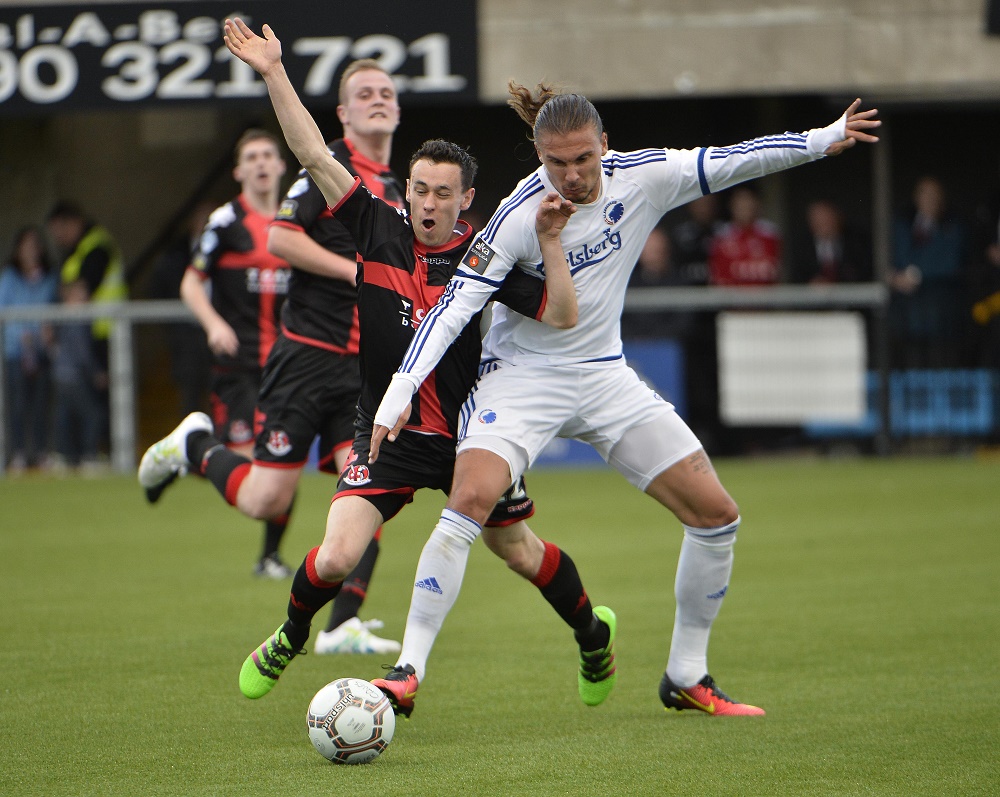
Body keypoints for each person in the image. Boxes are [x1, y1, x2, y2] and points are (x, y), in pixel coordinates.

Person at [371, 83, 880, 716]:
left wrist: (823, 138)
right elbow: (452, 311)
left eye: (583, 158)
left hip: (604, 374)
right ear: (538, 156)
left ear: (604, 146)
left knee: (717, 514)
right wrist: (397, 395)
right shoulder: (514, 216)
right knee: (470, 499)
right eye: (556, 162)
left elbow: (734, 158)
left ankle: (687, 676)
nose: (572, 175)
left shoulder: (645, 177)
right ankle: (407, 670)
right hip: (521, 376)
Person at [195, 19, 607, 716]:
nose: (427, 202)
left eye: (443, 193)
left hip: (466, 439)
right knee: (331, 557)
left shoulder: (488, 254)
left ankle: (593, 636)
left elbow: (563, 314)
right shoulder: (375, 225)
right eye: (418, 188)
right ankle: (291, 636)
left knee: (518, 549)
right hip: (383, 431)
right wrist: (273, 73)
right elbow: (309, 150)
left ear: (465, 200)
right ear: (406, 190)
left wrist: (553, 244)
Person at [141, 56, 408, 652]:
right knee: (267, 498)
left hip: (361, 367)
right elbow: (282, 237)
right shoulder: (325, 165)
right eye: (364, 92)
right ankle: (194, 444)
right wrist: (357, 272)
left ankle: (341, 627)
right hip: (306, 357)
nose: (378, 98)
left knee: (367, 488)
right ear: (342, 112)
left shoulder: (395, 188)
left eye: (386, 90)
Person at [155, 128, 297, 578]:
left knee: (282, 459)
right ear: (238, 170)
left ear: (280, 166)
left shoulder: (297, 222)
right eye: (251, 157)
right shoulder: (224, 222)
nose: (260, 163)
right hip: (239, 365)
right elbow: (190, 282)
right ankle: (190, 451)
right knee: (252, 469)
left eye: (267, 156)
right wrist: (214, 323)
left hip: (288, 364)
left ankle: (269, 556)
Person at [46, 201, 127, 455]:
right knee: (80, 401)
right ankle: (85, 454)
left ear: (73, 222)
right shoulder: (74, 250)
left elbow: (81, 292)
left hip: (106, 334)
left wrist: (66, 294)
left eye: (60, 229)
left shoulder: (97, 246)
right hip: (83, 338)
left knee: (103, 399)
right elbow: (65, 291)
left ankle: (109, 453)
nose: (57, 237)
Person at [889, 175, 968, 368]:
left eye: (935, 195)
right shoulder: (902, 225)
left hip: (939, 303)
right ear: (917, 198)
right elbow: (895, 259)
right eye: (925, 194)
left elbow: (950, 263)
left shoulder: (952, 226)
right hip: (904, 305)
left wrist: (914, 274)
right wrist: (893, 276)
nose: (930, 200)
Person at [146, 201, 215, 417]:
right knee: (190, 400)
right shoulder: (175, 254)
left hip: (219, 335)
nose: (207, 226)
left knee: (220, 397)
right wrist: (174, 324)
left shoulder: (229, 249)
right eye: (203, 220)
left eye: (212, 220)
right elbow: (156, 290)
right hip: (186, 338)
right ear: (191, 223)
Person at [0, 226, 58, 472]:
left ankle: (41, 452)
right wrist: (20, 334)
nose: (31, 252)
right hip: (16, 351)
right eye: (26, 246)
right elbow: (5, 312)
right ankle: (19, 453)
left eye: (35, 246)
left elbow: (53, 310)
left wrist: (45, 333)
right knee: (18, 403)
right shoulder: (9, 278)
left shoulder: (50, 278)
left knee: (40, 404)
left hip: (41, 351)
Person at [50, 280, 103, 471]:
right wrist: (96, 373)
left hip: (59, 373)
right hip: (73, 375)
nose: (85, 298)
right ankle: (88, 455)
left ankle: (63, 456)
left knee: (65, 415)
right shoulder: (77, 317)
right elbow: (83, 352)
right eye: (81, 294)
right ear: (71, 295)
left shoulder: (60, 314)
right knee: (93, 414)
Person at [708, 185, 782, 286]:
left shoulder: (770, 234)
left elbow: (776, 274)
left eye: (748, 201)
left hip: (764, 299)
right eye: (740, 203)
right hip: (731, 300)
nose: (745, 206)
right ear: (732, 206)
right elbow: (717, 278)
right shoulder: (722, 236)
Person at [791, 198, 872, 285]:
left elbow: (865, 272)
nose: (825, 225)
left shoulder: (856, 243)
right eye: (819, 221)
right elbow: (796, 277)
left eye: (828, 219)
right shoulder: (802, 247)